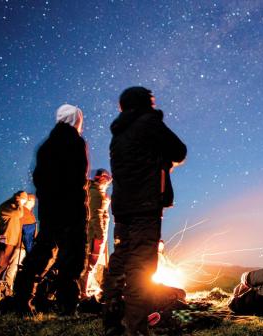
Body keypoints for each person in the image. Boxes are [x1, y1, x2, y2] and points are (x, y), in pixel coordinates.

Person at [104, 86, 187, 335]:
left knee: (120, 260)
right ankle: (137, 329)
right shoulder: (149, 122)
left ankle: (111, 322)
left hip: (122, 206)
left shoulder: (117, 133)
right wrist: (164, 163)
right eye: (151, 101)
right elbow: (179, 150)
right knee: (141, 265)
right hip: (145, 205)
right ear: (144, 103)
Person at [11, 104, 88, 315]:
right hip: (70, 208)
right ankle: (67, 304)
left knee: (42, 251)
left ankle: (22, 297)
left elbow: (38, 178)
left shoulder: (47, 146)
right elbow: (78, 177)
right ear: (75, 120)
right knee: (71, 256)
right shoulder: (75, 142)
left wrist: (49, 196)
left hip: (50, 209)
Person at [80, 169, 112, 300]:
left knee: (91, 264)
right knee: (90, 263)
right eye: (107, 180)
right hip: (96, 235)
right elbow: (96, 216)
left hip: (97, 233)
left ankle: (84, 289)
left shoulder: (97, 192)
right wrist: (101, 236)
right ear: (102, 179)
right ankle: (82, 292)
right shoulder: (96, 193)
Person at [0, 191, 27, 295]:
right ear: (18, 198)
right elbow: (20, 213)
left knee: (4, 265)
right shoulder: (7, 207)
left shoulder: (11, 206)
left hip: (10, 240)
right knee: (0, 265)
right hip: (5, 239)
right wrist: (20, 204)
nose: (24, 202)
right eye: (24, 199)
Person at [5, 194, 37, 293]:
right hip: (20, 246)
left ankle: (8, 288)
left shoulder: (22, 212)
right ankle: (7, 289)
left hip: (17, 244)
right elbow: (29, 233)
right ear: (31, 201)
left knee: (13, 267)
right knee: (14, 268)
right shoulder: (26, 214)